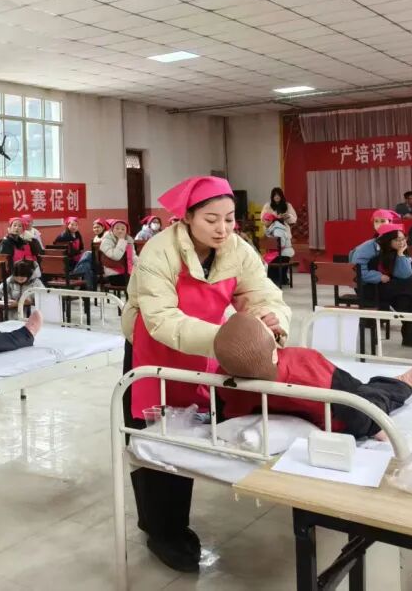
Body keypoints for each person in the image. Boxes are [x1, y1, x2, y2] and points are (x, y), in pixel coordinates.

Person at [121, 175, 290, 573]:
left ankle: (168, 522)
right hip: (153, 349)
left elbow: (263, 294)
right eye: (211, 219)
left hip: (204, 346)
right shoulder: (159, 251)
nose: (222, 229)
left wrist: (272, 320)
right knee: (153, 439)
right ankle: (162, 530)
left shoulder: (238, 249)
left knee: (186, 437)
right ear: (188, 217)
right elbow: (160, 319)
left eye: (229, 219)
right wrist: (229, 340)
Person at [213, 310, 412, 437]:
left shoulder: (224, 376)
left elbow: (224, 411)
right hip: (340, 416)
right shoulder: (303, 365)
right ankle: (400, 383)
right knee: (369, 395)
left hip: (285, 408)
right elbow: (352, 403)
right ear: (273, 354)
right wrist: (373, 426)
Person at [359, 225, 412, 347]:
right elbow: (357, 272)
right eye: (398, 240)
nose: (402, 242)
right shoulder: (369, 249)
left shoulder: (397, 250)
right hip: (371, 288)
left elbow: (404, 274)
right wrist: (379, 277)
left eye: (403, 239)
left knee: (405, 299)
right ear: (388, 240)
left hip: (390, 287)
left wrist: (400, 254)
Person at [260, 211, 295, 287]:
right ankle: (281, 279)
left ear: (270, 221)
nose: (263, 222)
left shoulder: (278, 229)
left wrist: (271, 244)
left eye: (265, 220)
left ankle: (276, 280)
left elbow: (281, 243)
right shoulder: (271, 228)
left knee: (268, 262)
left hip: (283, 253)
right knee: (263, 259)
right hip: (278, 252)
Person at [100, 219, 136, 286]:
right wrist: (121, 240)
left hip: (128, 271)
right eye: (117, 228)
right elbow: (116, 256)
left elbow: (133, 257)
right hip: (114, 272)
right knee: (136, 284)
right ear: (112, 230)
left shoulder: (128, 240)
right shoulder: (107, 240)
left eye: (123, 229)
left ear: (126, 231)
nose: (120, 231)